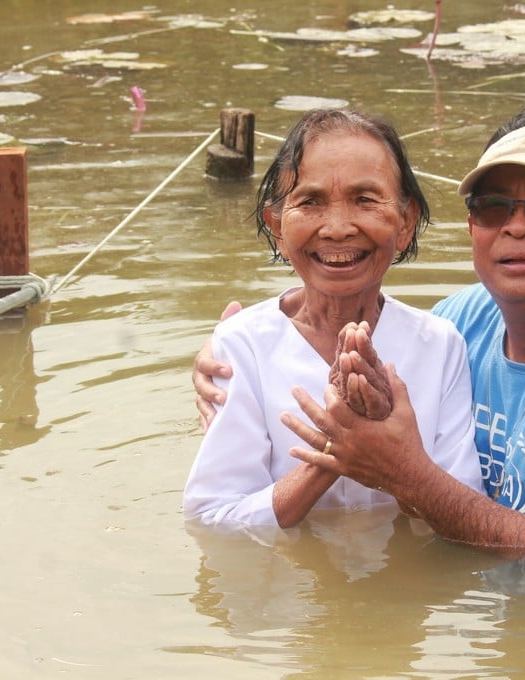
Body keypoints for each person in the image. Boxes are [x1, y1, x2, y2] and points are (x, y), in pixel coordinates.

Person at [195, 101, 525, 554]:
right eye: (493, 207)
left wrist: (397, 473)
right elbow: (214, 514)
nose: (517, 226)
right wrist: (232, 354)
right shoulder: (460, 325)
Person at [182, 108, 483, 529]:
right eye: (310, 201)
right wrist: (335, 450)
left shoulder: (440, 344)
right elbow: (212, 519)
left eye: (365, 200)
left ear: (405, 223)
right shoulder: (241, 347)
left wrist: (389, 459)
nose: (338, 228)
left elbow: (464, 509)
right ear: (277, 228)